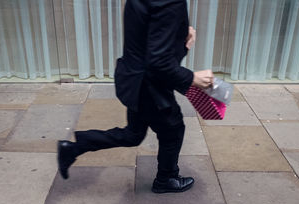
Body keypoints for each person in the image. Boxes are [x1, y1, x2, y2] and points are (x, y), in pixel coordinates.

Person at [57, 0, 214, 193]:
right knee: (173, 130)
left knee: (133, 134)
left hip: (134, 79)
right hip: (149, 86)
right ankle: (167, 179)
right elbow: (158, 62)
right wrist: (192, 77)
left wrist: (182, 39)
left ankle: (73, 148)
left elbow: (146, 39)